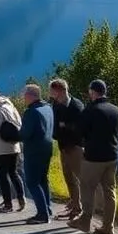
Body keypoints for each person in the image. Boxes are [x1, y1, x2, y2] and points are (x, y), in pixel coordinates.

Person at [69, 79, 118, 234]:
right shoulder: (115, 110)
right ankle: (108, 226)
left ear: (92, 92)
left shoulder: (90, 110)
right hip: (112, 156)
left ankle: (85, 221)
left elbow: (79, 132)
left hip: (94, 157)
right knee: (110, 191)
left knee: (87, 187)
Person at [0, 86, 26, 213]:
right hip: (14, 145)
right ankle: (21, 197)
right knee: (14, 173)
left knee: (2, 175)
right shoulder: (9, 104)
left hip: (0, 147)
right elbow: (19, 122)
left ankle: (8, 204)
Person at [49, 78, 86, 220]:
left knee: (80, 177)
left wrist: (66, 126)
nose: (51, 93)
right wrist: (61, 127)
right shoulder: (56, 105)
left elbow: (80, 128)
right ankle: (75, 204)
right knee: (69, 178)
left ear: (60, 90)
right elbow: (57, 126)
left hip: (75, 147)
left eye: (52, 90)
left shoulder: (76, 105)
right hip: (63, 146)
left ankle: (83, 208)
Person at [20, 83, 56, 224]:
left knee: (32, 182)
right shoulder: (48, 108)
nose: (23, 97)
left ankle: (42, 214)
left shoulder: (31, 112)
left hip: (34, 150)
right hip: (47, 148)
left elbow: (25, 133)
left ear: (30, 95)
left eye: (24, 94)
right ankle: (47, 208)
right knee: (43, 179)